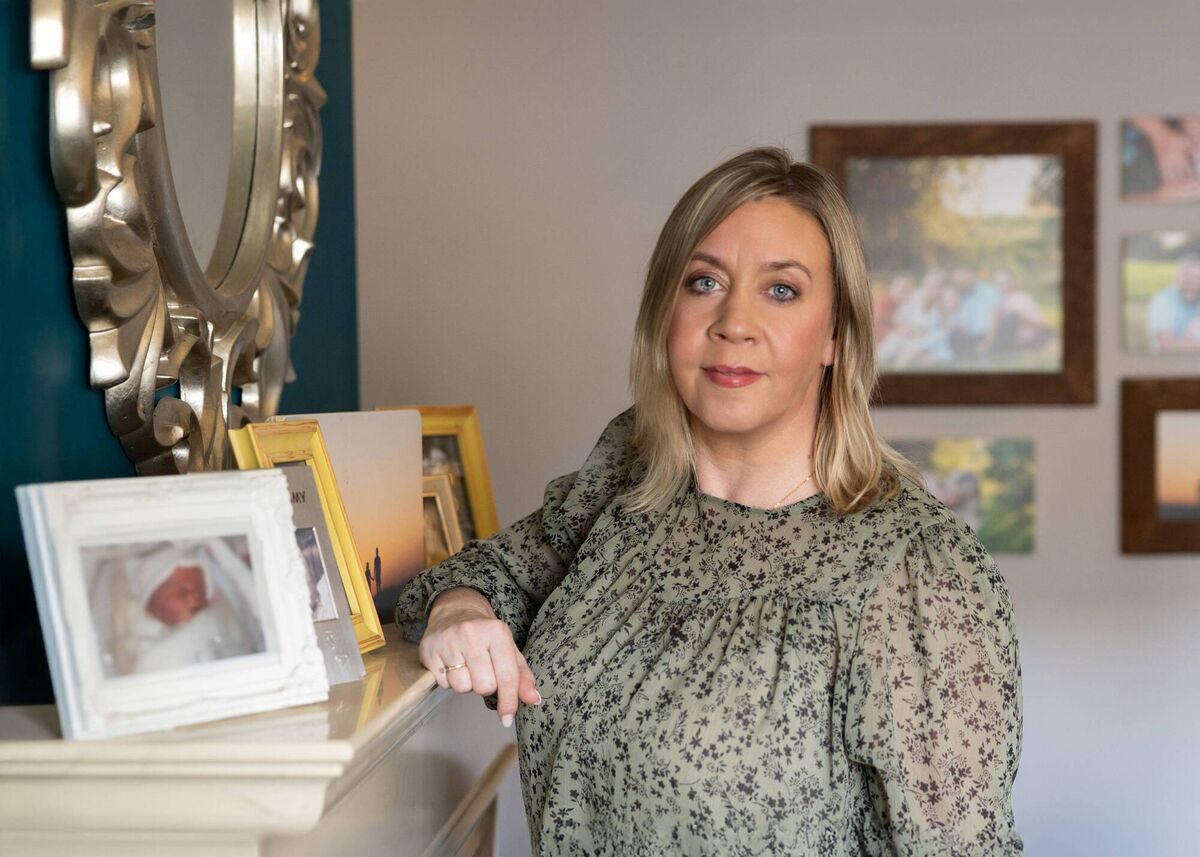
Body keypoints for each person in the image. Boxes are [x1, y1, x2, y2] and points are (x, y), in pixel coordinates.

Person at [394, 147, 1023, 854]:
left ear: (837, 335)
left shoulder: (913, 572)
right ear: (667, 313)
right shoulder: (627, 481)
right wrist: (461, 609)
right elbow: (479, 575)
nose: (734, 320)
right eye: (704, 282)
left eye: (781, 290)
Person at [92, 540, 265, 677]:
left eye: (200, 590)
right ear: (154, 608)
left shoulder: (218, 615)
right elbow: (146, 668)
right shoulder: (142, 641)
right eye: (182, 592)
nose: (195, 597)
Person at [1145, 254, 1200, 353]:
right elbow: (1167, 346)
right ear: (1176, 278)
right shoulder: (1162, 301)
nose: (1192, 282)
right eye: (1187, 276)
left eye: (1196, 278)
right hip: (1166, 364)